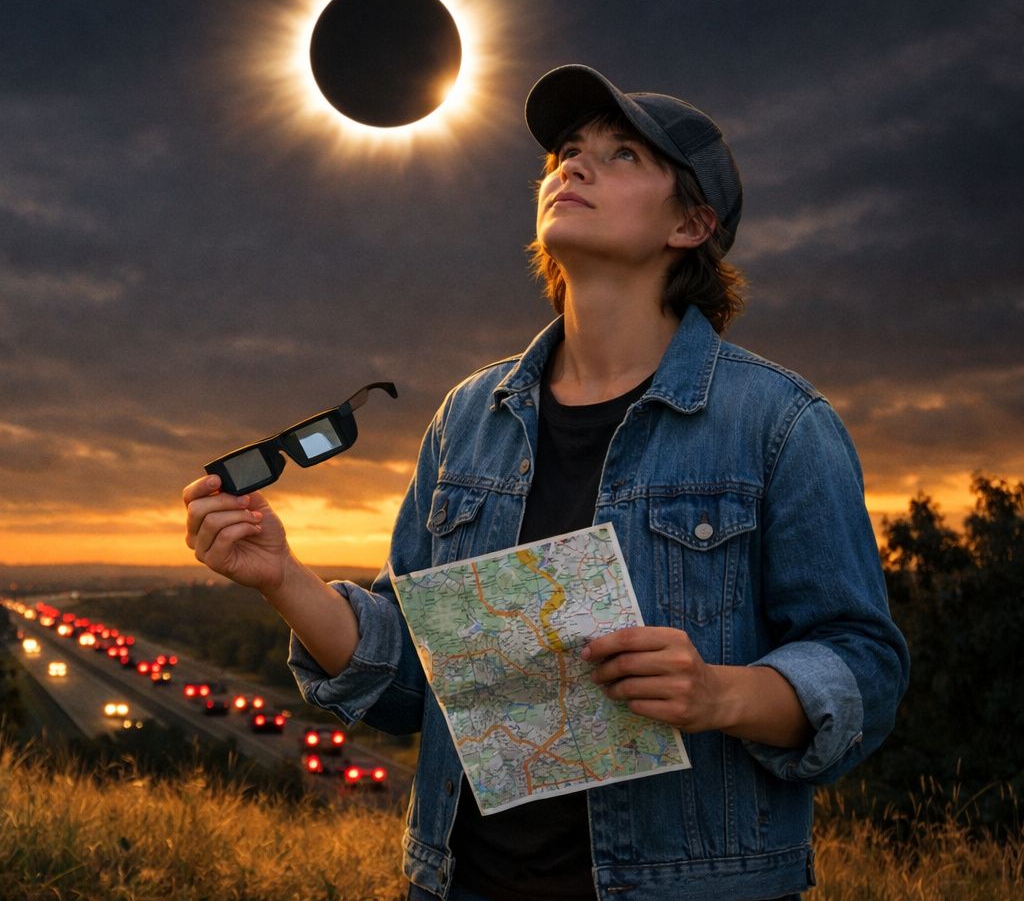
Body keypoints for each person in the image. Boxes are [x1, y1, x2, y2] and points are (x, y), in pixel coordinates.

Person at [181, 63, 909, 901]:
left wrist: (719, 693)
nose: (575, 166)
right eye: (566, 152)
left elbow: (864, 667)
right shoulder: (469, 417)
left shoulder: (778, 423)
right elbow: (411, 682)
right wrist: (281, 577)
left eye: (623, 154)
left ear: (691, 224)